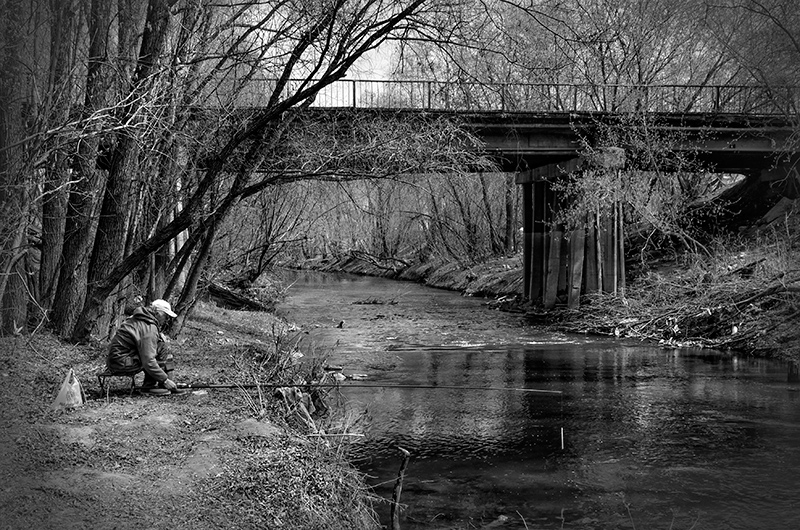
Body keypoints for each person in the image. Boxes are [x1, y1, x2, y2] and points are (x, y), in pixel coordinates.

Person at [106, 299, 181, 395]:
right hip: (122, 363)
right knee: (162, 347)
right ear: (158, 314)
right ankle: (152, 386)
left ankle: (152, 384)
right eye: (166, 316)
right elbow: (148, 360)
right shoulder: (149, 327)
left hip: (115, 360)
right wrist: (165, 380)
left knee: (158, 346)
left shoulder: (138, 318)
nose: (166, 320)